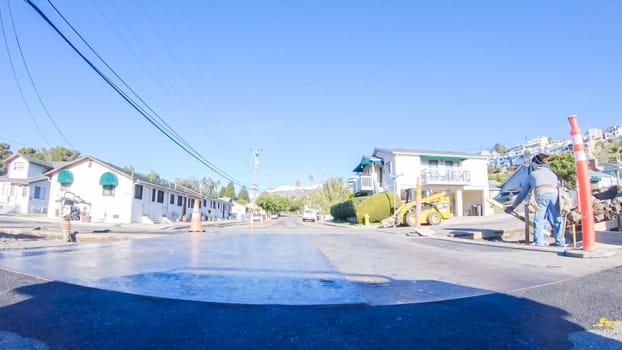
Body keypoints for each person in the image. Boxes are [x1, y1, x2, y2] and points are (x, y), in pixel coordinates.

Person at [505, 148, 566, 247]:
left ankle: (539, 241)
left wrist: (512, 207)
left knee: (539, 218)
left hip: (541, 193)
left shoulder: (532, 174)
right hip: (555, 193)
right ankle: (560, 241)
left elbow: (522, 194)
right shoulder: (552, 173)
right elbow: (559, 186)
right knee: (557, 218)